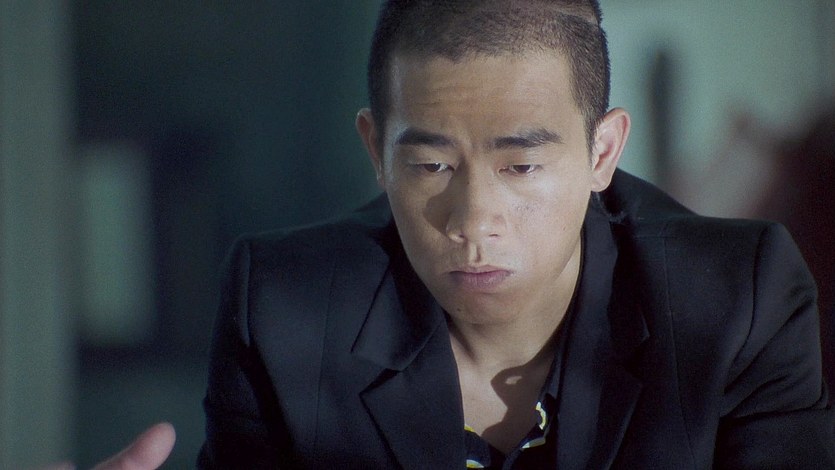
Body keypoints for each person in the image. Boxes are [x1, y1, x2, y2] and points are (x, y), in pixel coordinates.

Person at [82, 1, 835, 468]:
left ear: (602, 152)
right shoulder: (286, 311)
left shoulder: (736, 301)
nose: (473, 221)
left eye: (522, 165)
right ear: (376, 151)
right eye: (431, 164)